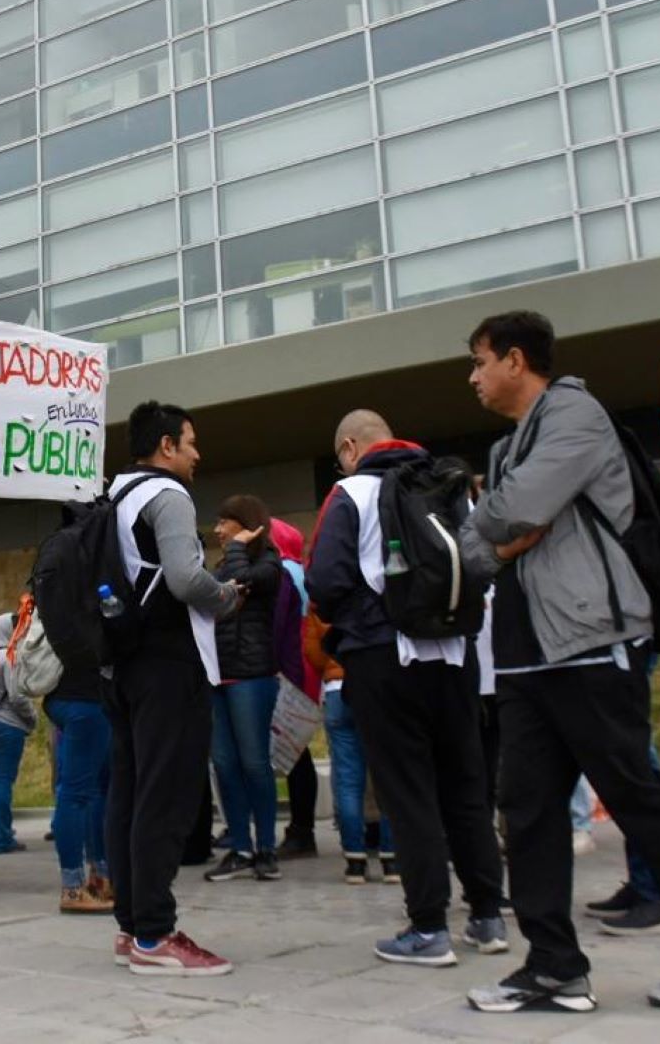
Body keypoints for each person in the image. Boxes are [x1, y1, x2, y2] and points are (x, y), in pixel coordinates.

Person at [457, 311, 660, 1013]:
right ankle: (554, 966)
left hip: (593, 639)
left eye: (478, 362)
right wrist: (501, 536)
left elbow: (515, 510)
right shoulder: (509, 449)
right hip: (529, 650)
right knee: (527, 809)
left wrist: (499, 527)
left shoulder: (574, 415)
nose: (473, 378)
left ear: (513, 359)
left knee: (635, 795)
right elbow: (482, 544)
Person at [306, 409, 507, 968]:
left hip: (382, 658)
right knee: (467, 787)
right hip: (455, 654)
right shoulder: (447, 485)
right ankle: (488, 914)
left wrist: (361, 626)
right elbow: (479, 563)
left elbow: (324, 580)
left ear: (350, 446)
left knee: (407, 791)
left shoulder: (351, 493)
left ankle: (428, 927)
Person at [103, 401, 241, 976]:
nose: (196, 455)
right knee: (167, 795)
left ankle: (134, 925)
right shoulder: (168, 495)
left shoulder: (110, 495)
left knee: (130, 792)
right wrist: (227, 595)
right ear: (165, 447)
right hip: (168, 664)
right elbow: (185, 578)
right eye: (190, 443)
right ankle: (157, 936)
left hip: (122, 663)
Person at [204, 495, 285, 882]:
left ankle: (266, 847)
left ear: (248, 525)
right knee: (224, 764)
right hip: (218, 677)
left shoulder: (269, 564)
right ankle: (240, 846)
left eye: (226, 523)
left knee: (255, 763)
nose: (218, 530)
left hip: (252, 677)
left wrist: (238, 550)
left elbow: (243, 584)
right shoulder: (220, 568)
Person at [303, 609, 391, 885]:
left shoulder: (323, 598)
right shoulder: (376, 586)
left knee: (347, 777)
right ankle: (392, 856)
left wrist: (331, 667)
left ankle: (355, 858)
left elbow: (312, 650)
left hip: (336, 687)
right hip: (378, 685)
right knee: (387, 774)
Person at [43, 582, 115, 912]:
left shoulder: (61, 585)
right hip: (86, 698)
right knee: (78, 793)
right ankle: (73, 887)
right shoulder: (93, 587)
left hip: (68, 696)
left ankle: (100, 874)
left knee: (92, 789)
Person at [271, 519, 321, 861]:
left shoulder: (282, 574)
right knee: (300, 749)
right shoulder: (302, 571)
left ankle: (301, 830)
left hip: (289, 667)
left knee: (292, 752)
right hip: (308, 667)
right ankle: (304, 827)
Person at [0, 611, 36, 854]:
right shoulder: (8, 657)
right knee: (3, 781)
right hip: (10, 725)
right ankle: (1, 837)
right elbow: (17, 696)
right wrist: (32, 717)